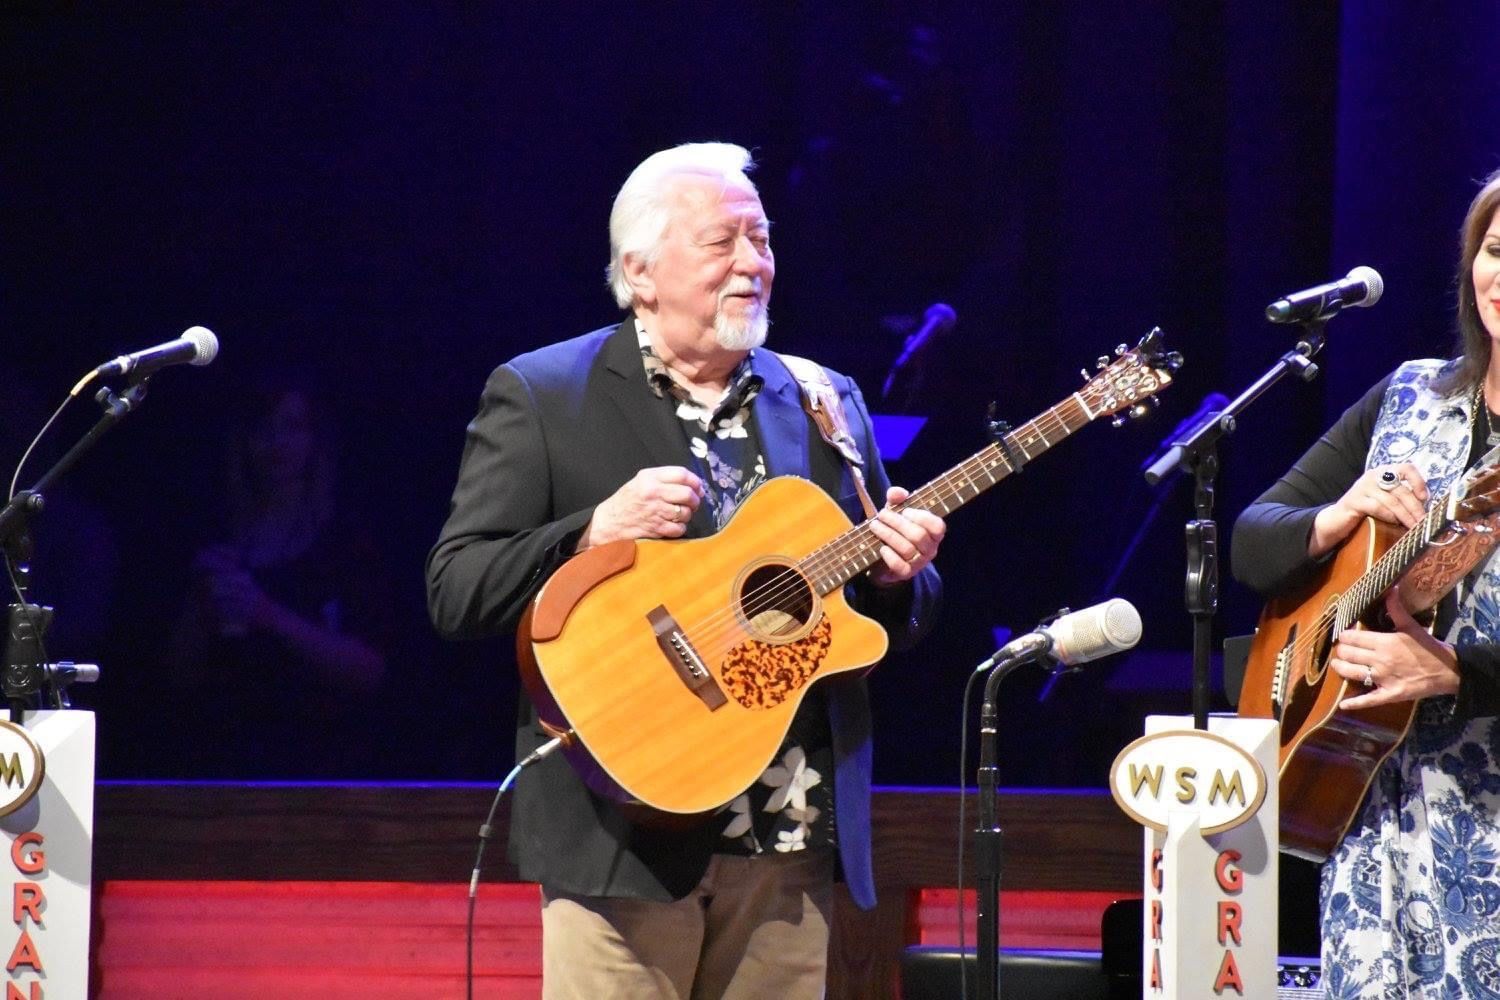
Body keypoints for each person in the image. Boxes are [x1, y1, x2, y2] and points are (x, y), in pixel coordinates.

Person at [426, 142, 944, 998]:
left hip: (788, 843)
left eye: (762, 239)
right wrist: (592, 531)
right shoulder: (544, 394)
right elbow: (456, 588)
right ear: (640, 271)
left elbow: (868, 614)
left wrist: (898, 576)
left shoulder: (824, 398)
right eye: (721, 242)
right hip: (622, 835)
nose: (753, 263)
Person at [1231, 168, 1500, 995]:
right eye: (1495, 251)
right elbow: (1252, 544)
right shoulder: (1409, 394)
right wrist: (1338, 515)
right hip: (1370, 825)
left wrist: (1456, 672)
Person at [166, 371, 390, 776]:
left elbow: (369, 670)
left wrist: (265, 612)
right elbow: (178, 678)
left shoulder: (344, 542)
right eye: (264, 429)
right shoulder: (220, 537)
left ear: (314, 440)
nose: (277, 443)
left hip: (322, 762)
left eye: (292, 427)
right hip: (226, 760)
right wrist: (198, 605)